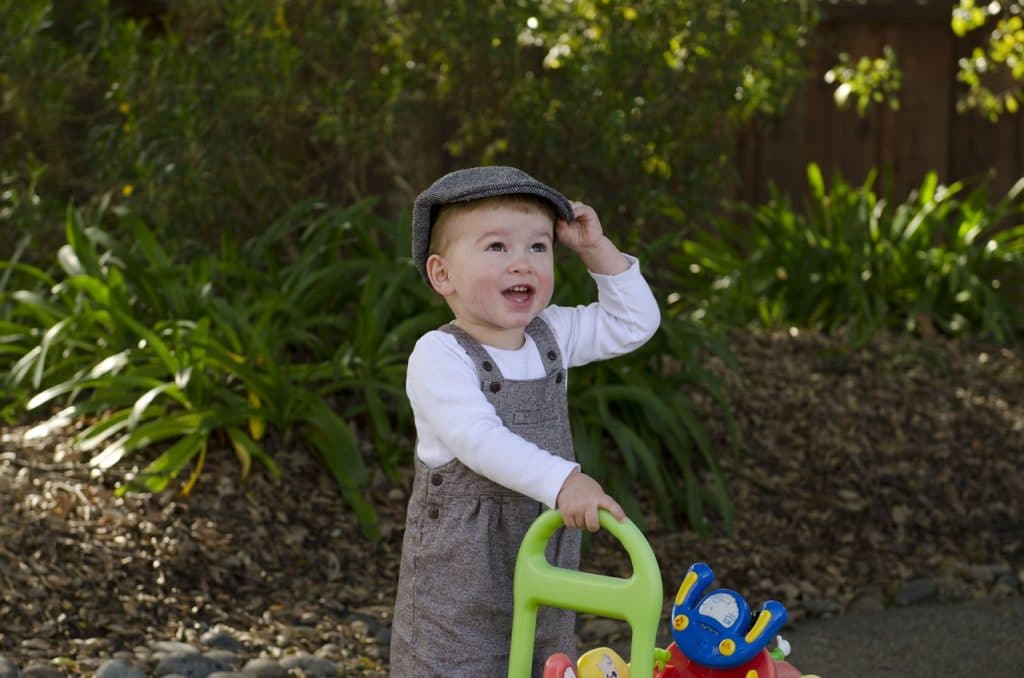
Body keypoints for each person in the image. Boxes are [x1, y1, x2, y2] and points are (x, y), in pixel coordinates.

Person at [390, 166, 661, 676]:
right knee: (454, 664)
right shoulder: (439, 355)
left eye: (538, 247)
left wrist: (597, 251)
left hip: (539, 547)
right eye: (496, 248)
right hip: (461, 568)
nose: (522, 264)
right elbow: (479, 440)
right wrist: (564, 480)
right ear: (442, 274)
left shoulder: (551, 333)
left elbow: (634, 323)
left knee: (539, 660)